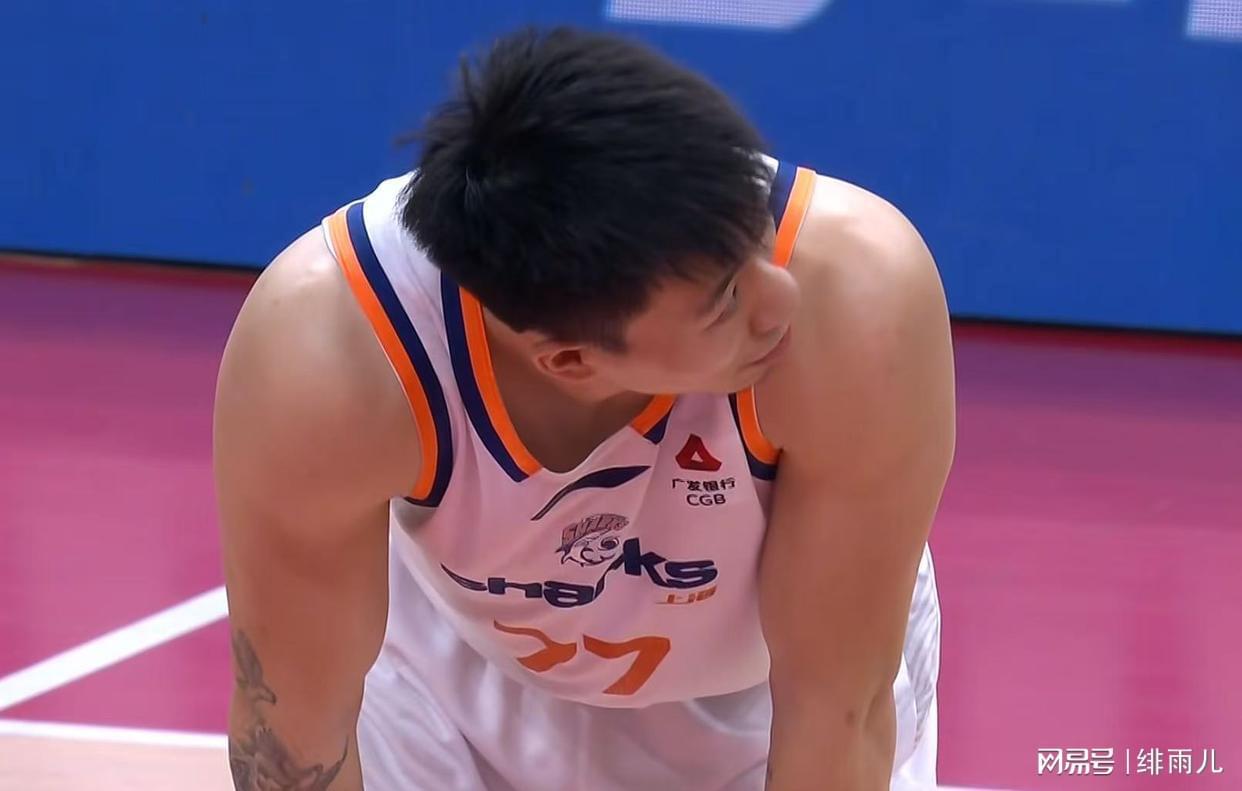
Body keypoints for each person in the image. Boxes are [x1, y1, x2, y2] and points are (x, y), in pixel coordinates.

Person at [214, 26, 954, 791]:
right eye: (727, 300)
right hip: (451, 675)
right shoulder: (335, 359)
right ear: (571, 361)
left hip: (759, 695)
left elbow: (835, 707)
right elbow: (293, 725)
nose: (781, 299)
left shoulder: (855, 303)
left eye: (759, 239)